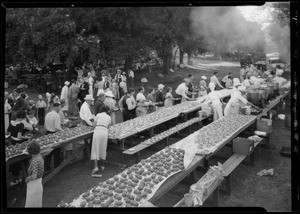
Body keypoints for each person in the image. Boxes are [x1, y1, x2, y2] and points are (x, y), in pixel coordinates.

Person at [90, 106, 111, 176]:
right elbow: (109, 126)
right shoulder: (108, 117)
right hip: (105, 132)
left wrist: (92, 123)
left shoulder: (98, 115)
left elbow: (93, 125)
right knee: (103, 148)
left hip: (98, 131)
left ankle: (95, 167)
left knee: (95, 149)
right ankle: (102, 165)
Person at [44, 103, 63, 171]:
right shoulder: (57, 115)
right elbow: (57, 127)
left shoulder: (48, 114)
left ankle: (47, 166)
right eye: (59, 108)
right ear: (57, 107)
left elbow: (45, 125)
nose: (59, 109)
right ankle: (57, 166)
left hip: (48, 133)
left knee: (48, 151)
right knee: (56, 151)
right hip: (54, 133)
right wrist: (63, 130)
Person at [25, 140, 44, 207]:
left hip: (34, 184)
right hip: (39, 182)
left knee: (31, 202)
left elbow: (34, 176)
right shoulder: (39, 156)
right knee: (37, 202)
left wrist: (28, 178)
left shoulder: (35, 161)